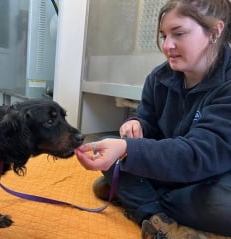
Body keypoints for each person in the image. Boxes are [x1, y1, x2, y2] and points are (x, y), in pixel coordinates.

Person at [74, 0, 231, 238]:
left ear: (215, 31)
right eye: (163, 35)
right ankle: (153, 212)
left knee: (222, 202)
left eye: (178, 34)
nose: (167, 45)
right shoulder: (159, 77)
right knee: (113, 150)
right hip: (172, 171)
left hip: (211, 173)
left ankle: (137, 197)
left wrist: (130, 152)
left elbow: (199, 154)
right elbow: (149, 123)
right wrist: (136, 126)